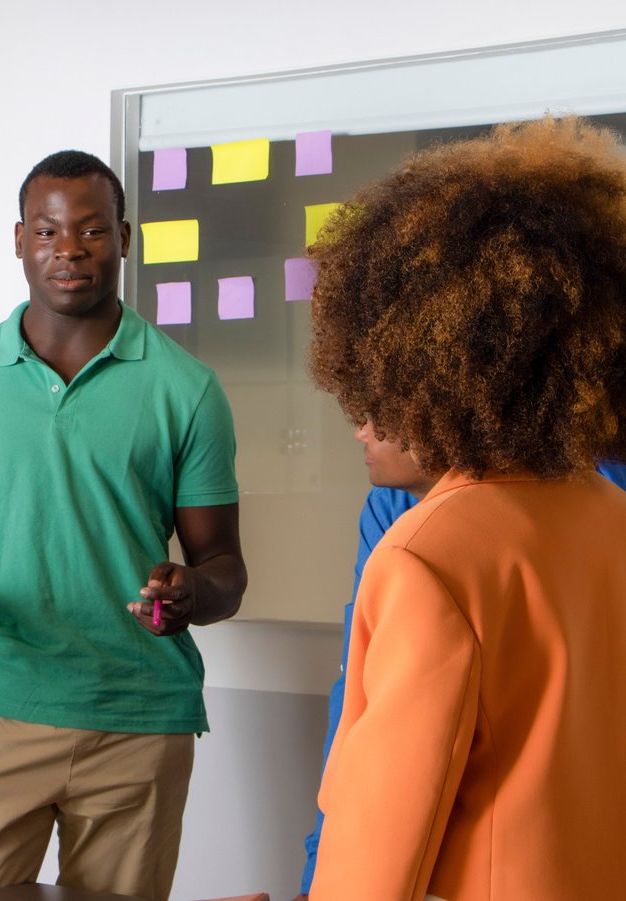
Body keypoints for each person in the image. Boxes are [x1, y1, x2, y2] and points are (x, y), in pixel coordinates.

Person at [0, 150, 247, 899]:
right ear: (19, 239)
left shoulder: (185, 390)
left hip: (138, 716)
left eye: (90, 231)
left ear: (124, 237)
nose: (69, 249)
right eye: (50, 231)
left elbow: (224, 566)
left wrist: (189, 591)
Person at [306, 116, 626, 900]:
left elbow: (379, 846)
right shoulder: (606, 515)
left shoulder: (425, 557)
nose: (358, 409)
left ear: (433, 358)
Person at [295, 441, 626, 900]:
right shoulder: (613, 512)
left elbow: (390, 811)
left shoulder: (422, 552)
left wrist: (320, 881)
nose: (358, 429)